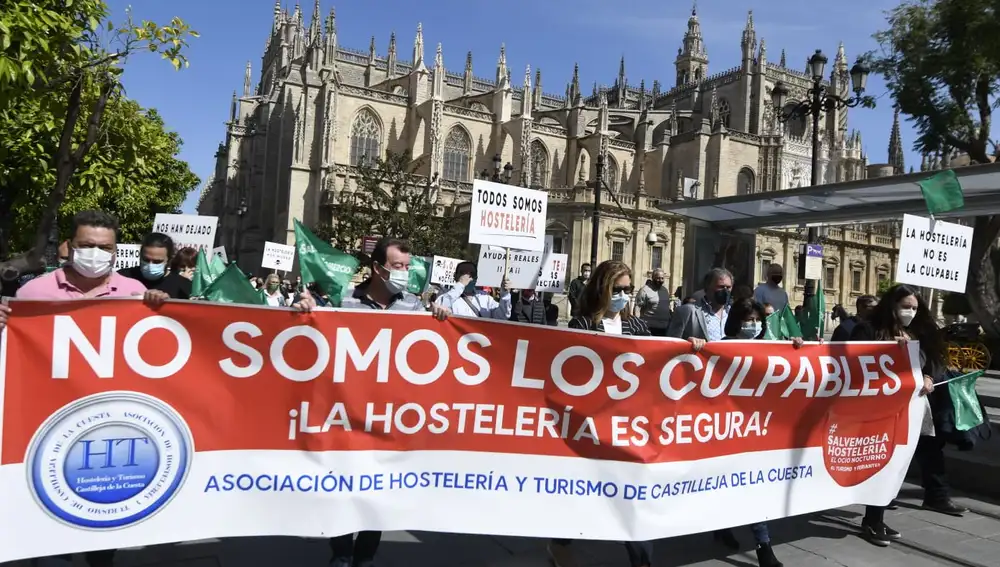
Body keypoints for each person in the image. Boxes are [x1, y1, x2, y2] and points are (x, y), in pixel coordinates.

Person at [0, 210, 172, 567]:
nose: (96, 253)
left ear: (115, 250)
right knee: (45, 520)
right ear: (70, 246)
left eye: (104, 248)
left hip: (109, 423)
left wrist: (158, 310)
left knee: (102, 523)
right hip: (48, 422)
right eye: (87, 245)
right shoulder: (34, 293)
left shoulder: (135, 292)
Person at [298, 237, 448, 567]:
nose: (405, 273)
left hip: (389, 415)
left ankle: (365, 556)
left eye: (408, 267)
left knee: (376, 490)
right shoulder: (344, 299)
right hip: (345, 410)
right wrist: (306, 310)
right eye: (398, 267)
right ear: (377, 269)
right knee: (342, 486)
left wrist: (439, 316)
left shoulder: (413, 305)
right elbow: (316, 336)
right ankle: (341, 552)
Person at [548, 259, 653, 567]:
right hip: (591, 425)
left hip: (629, 425)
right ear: (602, 289)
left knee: (632, 498)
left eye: (627, 289)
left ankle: (642, 560)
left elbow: (660, 360)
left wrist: (692, 346)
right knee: (585, 493)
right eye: (617, 289)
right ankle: (561, 542)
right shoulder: (581, 325)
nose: (623, 295)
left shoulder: (637, 326)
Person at [852, 284, 963, 547]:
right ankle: (873, 518)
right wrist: (889, 349)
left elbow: (935, 360)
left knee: (897, 461)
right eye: (905, 307)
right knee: (880, 459)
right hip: (877, 408)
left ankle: (875, 516)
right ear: (891, 305)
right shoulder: (869, 330)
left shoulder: (920, 332)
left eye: (914, 307)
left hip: (912, 407)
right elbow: (849, 357)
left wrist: (928, 376)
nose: (910, 312)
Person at [711, 298, 807, 567]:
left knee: (752, 486)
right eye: (747, 320)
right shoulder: (721, 347)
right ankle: (723, 526)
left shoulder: (770, 347)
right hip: (727, 430)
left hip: (758, 431)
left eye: (756, 321)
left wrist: (799, 348)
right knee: (729, 485)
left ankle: (763, 544)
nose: (752, 325)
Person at [666, 267, 733, 350]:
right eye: (721, 287)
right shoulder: (687, 311)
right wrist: (687, 343)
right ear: (707, 287)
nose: (725, 291)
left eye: (728, 287)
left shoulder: (733, 313)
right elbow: (670, 344)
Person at [118, 232, 191, 299]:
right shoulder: (121, 277)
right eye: (146, 260)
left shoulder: (183, 286)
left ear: (169, 260)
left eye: (157, 262)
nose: (150, 265)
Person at [434, 261, 512, 319]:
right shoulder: (446, 294)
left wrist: (505, 294)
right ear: (455, 276)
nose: (468, 277)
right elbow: (440, 306)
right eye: (463, 273)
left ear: (476, 278)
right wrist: (460, 285)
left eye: (472, 274)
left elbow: (502, 316)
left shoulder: (485, 298)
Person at [633, 268, 672, 336]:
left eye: (662, 278)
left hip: (665, 328)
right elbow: (637, 307)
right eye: (658, 278)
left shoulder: (665, 290)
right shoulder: (644, 290)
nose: (660, 280)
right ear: (653, 277)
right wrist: (637, 324)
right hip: (649, 327)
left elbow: (667, 306)